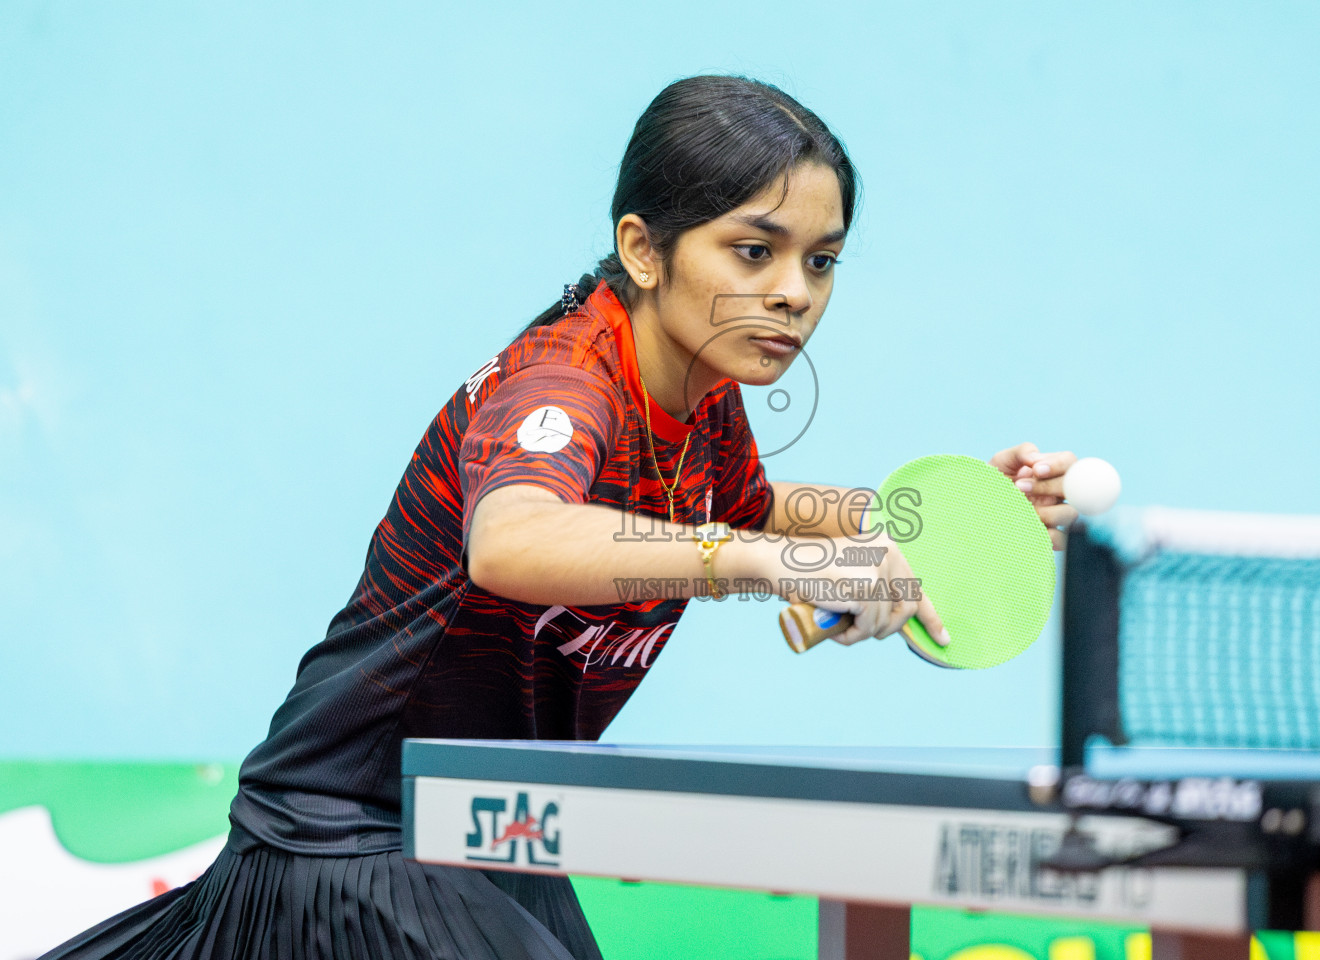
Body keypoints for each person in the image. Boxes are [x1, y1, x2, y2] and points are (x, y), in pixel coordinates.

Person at [43, 74, 1079, 960]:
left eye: (821, 260)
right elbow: (516, 541)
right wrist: (768, 564)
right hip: (350, 833)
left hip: (482, 819)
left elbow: (762, 513)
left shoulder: (701, 396)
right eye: (754, 250)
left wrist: (951, 518)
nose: (795, 293)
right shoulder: (565, 383)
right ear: (644, 247)